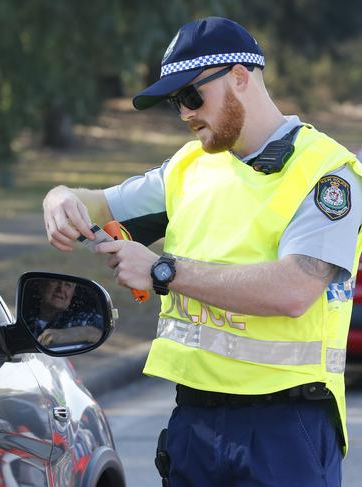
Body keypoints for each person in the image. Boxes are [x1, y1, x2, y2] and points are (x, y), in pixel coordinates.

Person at [42, 16, 362, 487]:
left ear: (239, 76)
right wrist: (60, 196)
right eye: (175, 103)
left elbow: (294, 291)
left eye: (191, 96)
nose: (185, 114)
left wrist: (163, 271)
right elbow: (97, 202)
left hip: (287, 426)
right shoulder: (189, 166)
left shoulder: (327, 174)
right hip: (196, 422)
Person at [26, 278, 103, 347]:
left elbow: (101, 332)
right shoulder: (25, 316)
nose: (61, 289)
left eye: (67, 285)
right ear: (41, 286)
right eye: (55, 281)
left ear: (73, 293)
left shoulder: (81, 319)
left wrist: (64, 335)